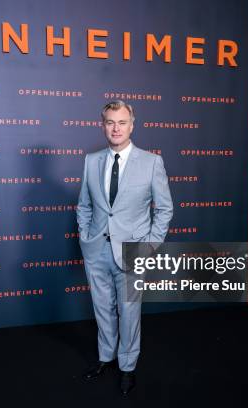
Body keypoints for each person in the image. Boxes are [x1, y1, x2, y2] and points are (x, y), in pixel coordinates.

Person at [76, 100, 173, 395]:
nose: (115, 128)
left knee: (129, 312)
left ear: (132, 125)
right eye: (110, 122)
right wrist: (86, 236)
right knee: (103, 309)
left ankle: (127, 367)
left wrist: (150, 246)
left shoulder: (151, 162)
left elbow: (165, 209)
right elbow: (84, 205)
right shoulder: (91, 161)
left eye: (121, 122)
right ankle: (106, 357)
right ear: (103, 125)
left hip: (133, 251)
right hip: (97, 250)